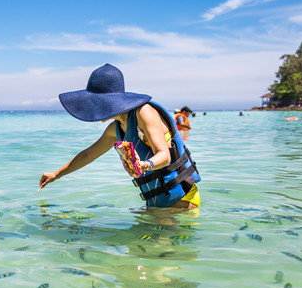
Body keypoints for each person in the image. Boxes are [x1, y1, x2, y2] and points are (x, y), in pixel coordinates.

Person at [39, 64, 201, 210]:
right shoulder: (114, 129)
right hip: (157, 204)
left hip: (182, 201)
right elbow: (88, 155)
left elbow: (165, 156)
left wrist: (144, 165)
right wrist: (56, 174)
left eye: (95, 102)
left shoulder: (144, 113)